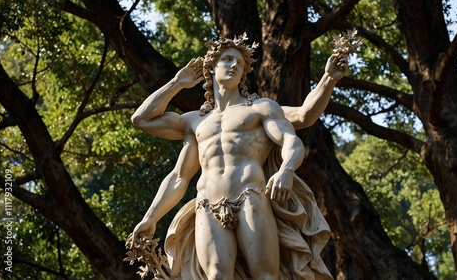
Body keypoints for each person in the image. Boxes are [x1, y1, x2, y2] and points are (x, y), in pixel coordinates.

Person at [129, 34, 348, 280]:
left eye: (240, 64)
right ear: (211, 67)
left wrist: (328, 78)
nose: (234, 65)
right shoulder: (195, 121)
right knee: (217, 277)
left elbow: (297, 128)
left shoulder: (260, 108)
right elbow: (147, 128)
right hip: (207, 204)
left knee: (265, 276)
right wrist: (177, 83)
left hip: (250, 197)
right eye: (227, 59)